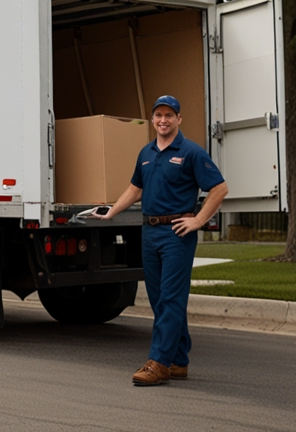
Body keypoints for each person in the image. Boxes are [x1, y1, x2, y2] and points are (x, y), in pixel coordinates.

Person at [92, 95, 227, 386]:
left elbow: (219, 188)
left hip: (177, 233)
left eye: (169, 115)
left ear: (179, 119)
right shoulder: (146, 152)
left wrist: (199, 220)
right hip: (149, 232)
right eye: (158, 116)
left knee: (170, 298)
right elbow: (135, 189)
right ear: (152, 120)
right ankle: (178, 361)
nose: (163, 120)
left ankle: (159, 363)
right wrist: (111, 212)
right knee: (158, 299)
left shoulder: (191, 152)